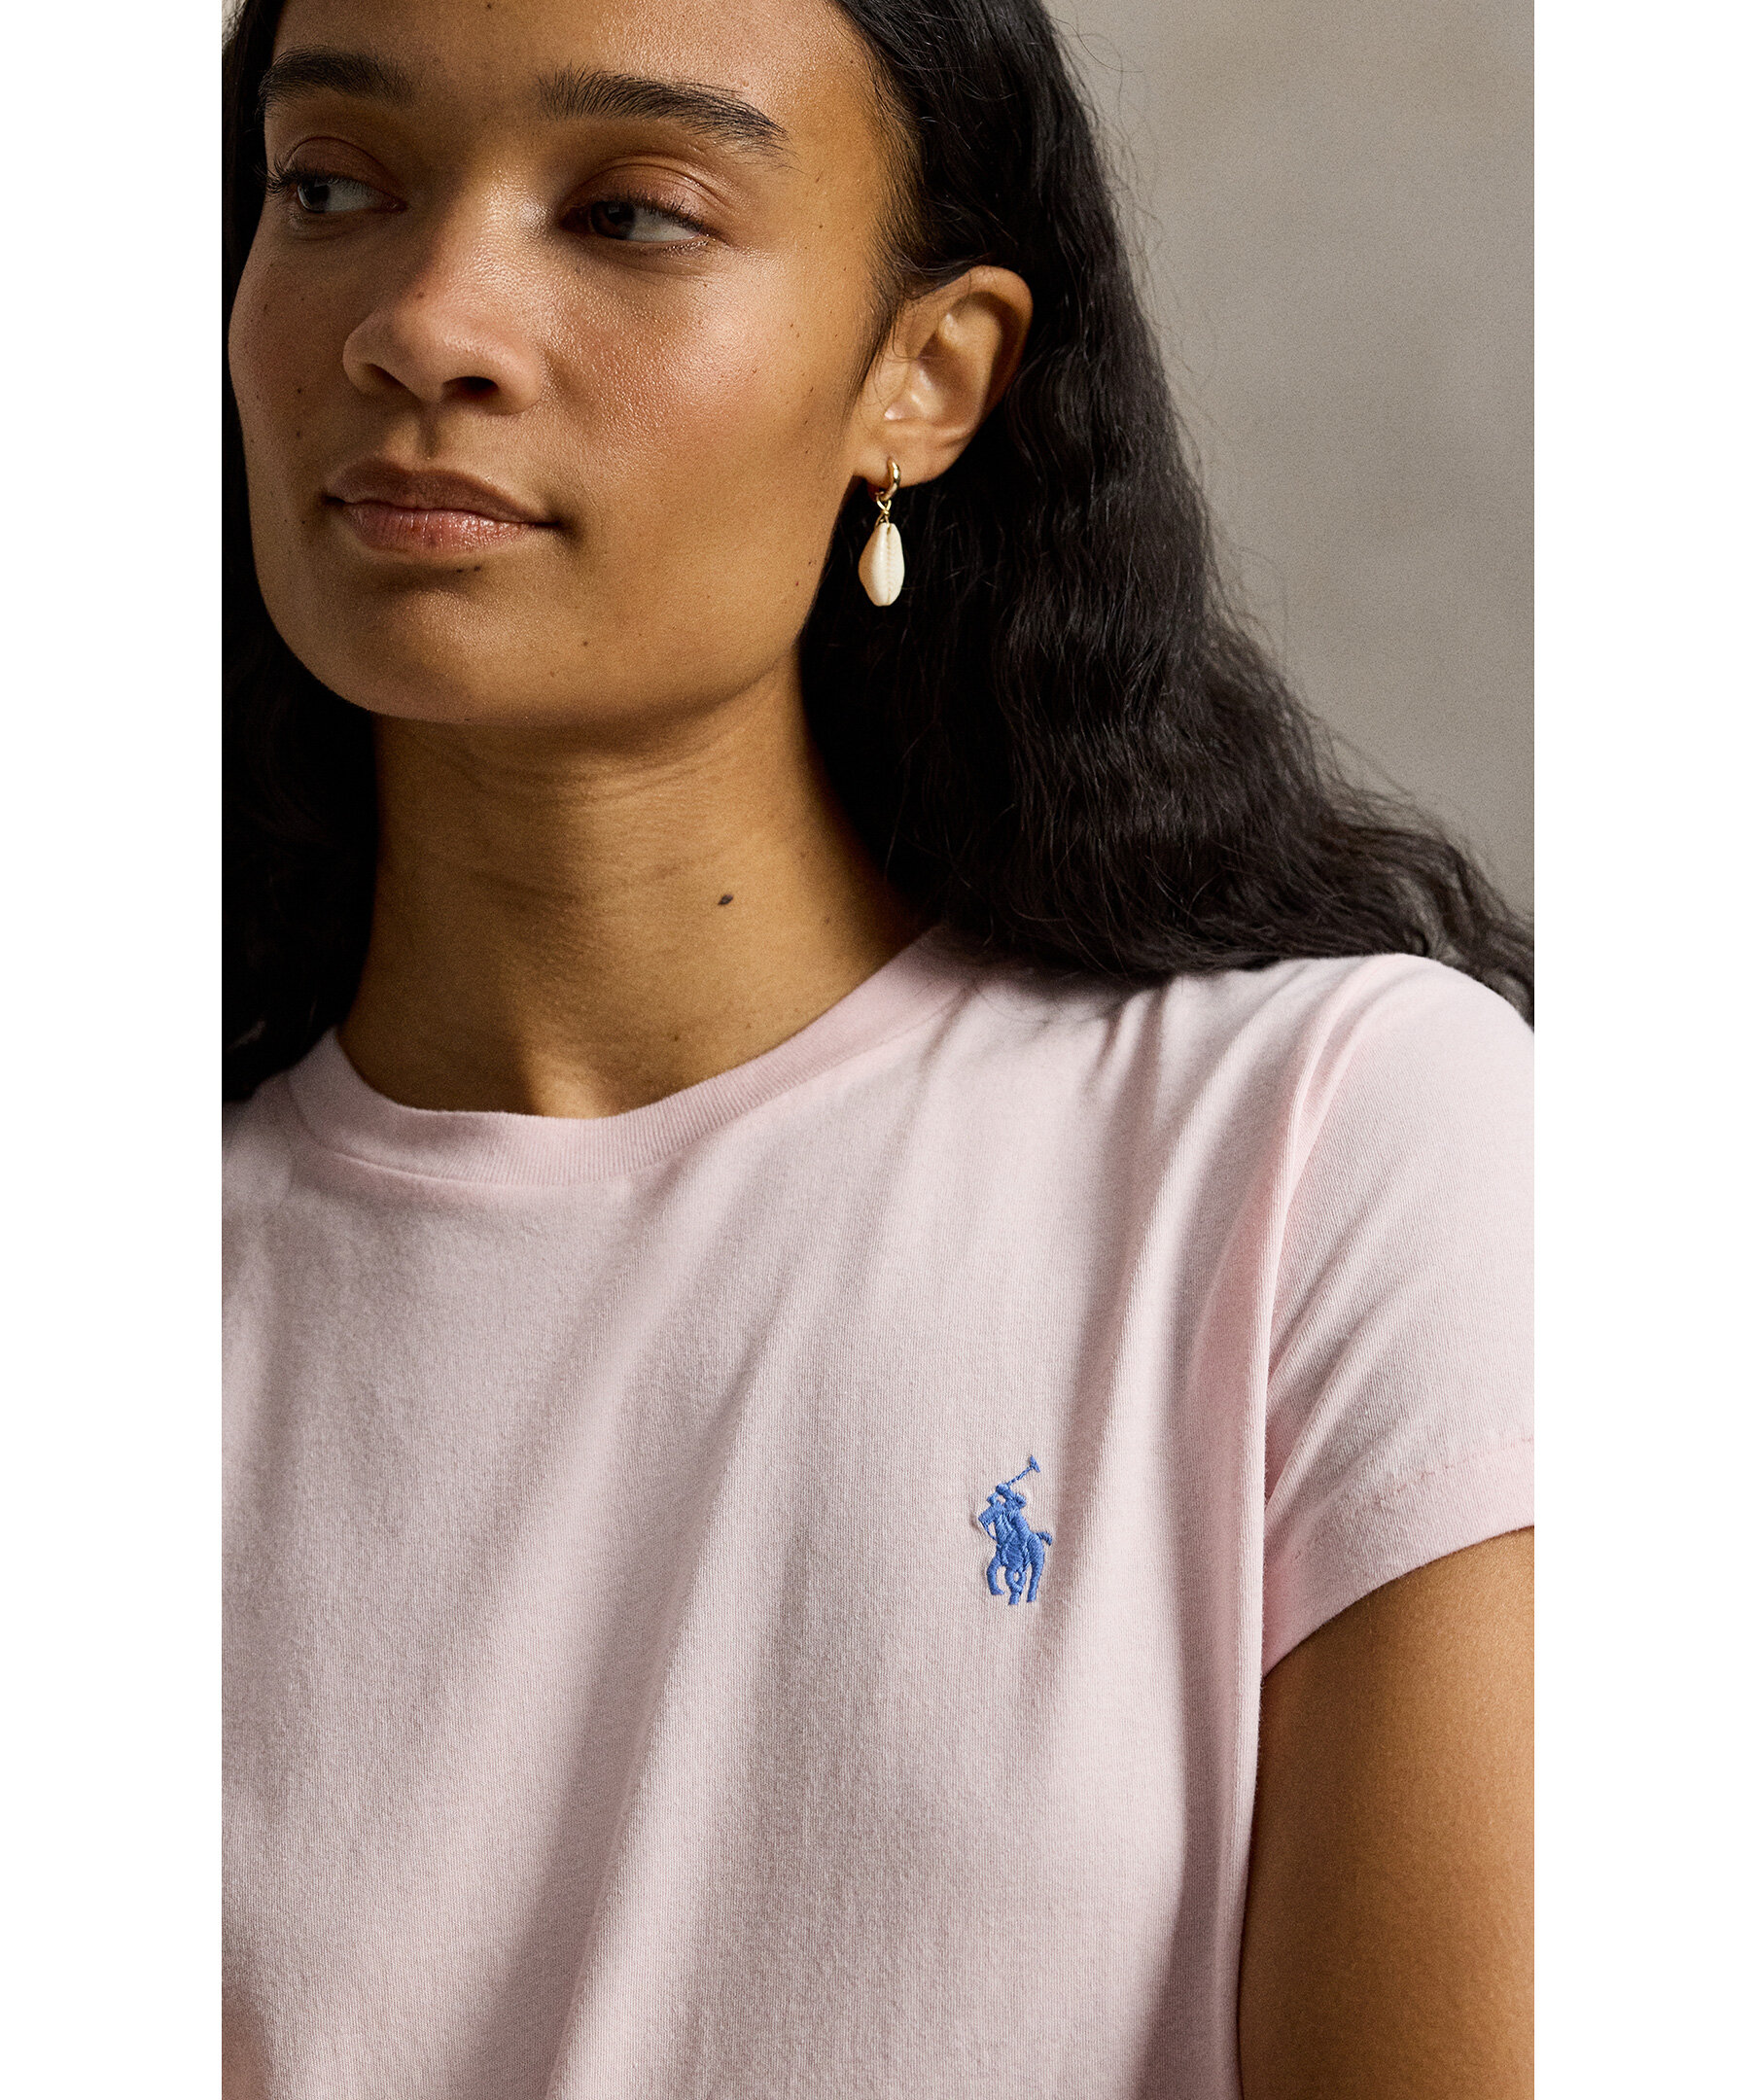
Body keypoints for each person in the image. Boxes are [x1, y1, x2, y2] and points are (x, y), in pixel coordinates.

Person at [221, 0, 1533, 2093]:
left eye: (631, 211)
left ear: (926, 379)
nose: (423, 323)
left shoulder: (1328, 1154)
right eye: (329, 187)